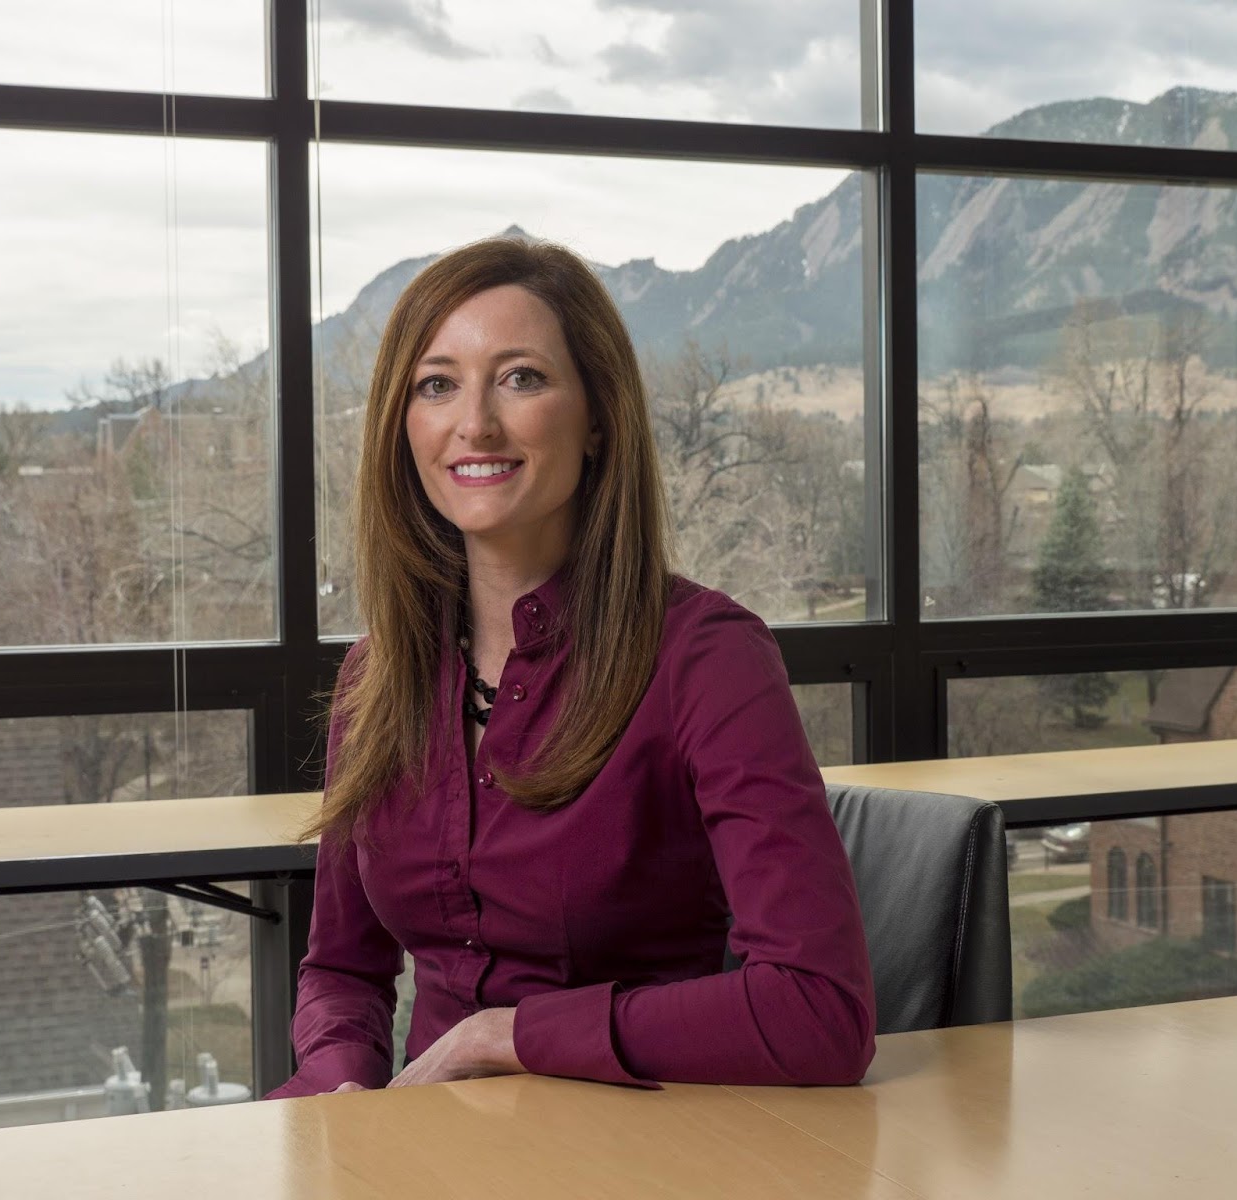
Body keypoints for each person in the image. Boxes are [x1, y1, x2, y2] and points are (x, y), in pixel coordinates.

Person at [264, 237, 873, 1098]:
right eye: (437, 384)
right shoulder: (376, 678)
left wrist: (505, 1037)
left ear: (597, 419)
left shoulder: (708, 660)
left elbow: (820, 1014)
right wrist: (342, 1094)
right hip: (421, 1152)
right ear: (403, 427)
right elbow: (342, 973)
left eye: (520, 377)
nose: (474, 423)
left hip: (642, 1154)